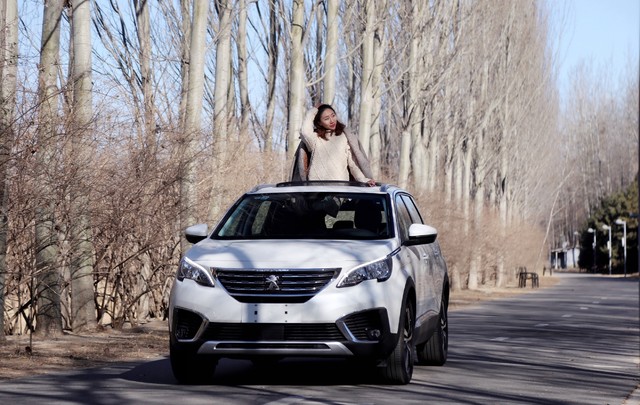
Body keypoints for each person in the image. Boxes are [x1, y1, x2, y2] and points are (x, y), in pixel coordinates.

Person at [291, 104, 375, 186]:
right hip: (317, 187)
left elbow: (352, 164)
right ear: (319, 123)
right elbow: (304, 132)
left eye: (333, 115)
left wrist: (363, 180)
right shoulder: (315, 138)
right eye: (326, 118)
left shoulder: (344, 136)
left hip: (340, 187)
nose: (332, 121)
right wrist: (313, 111)